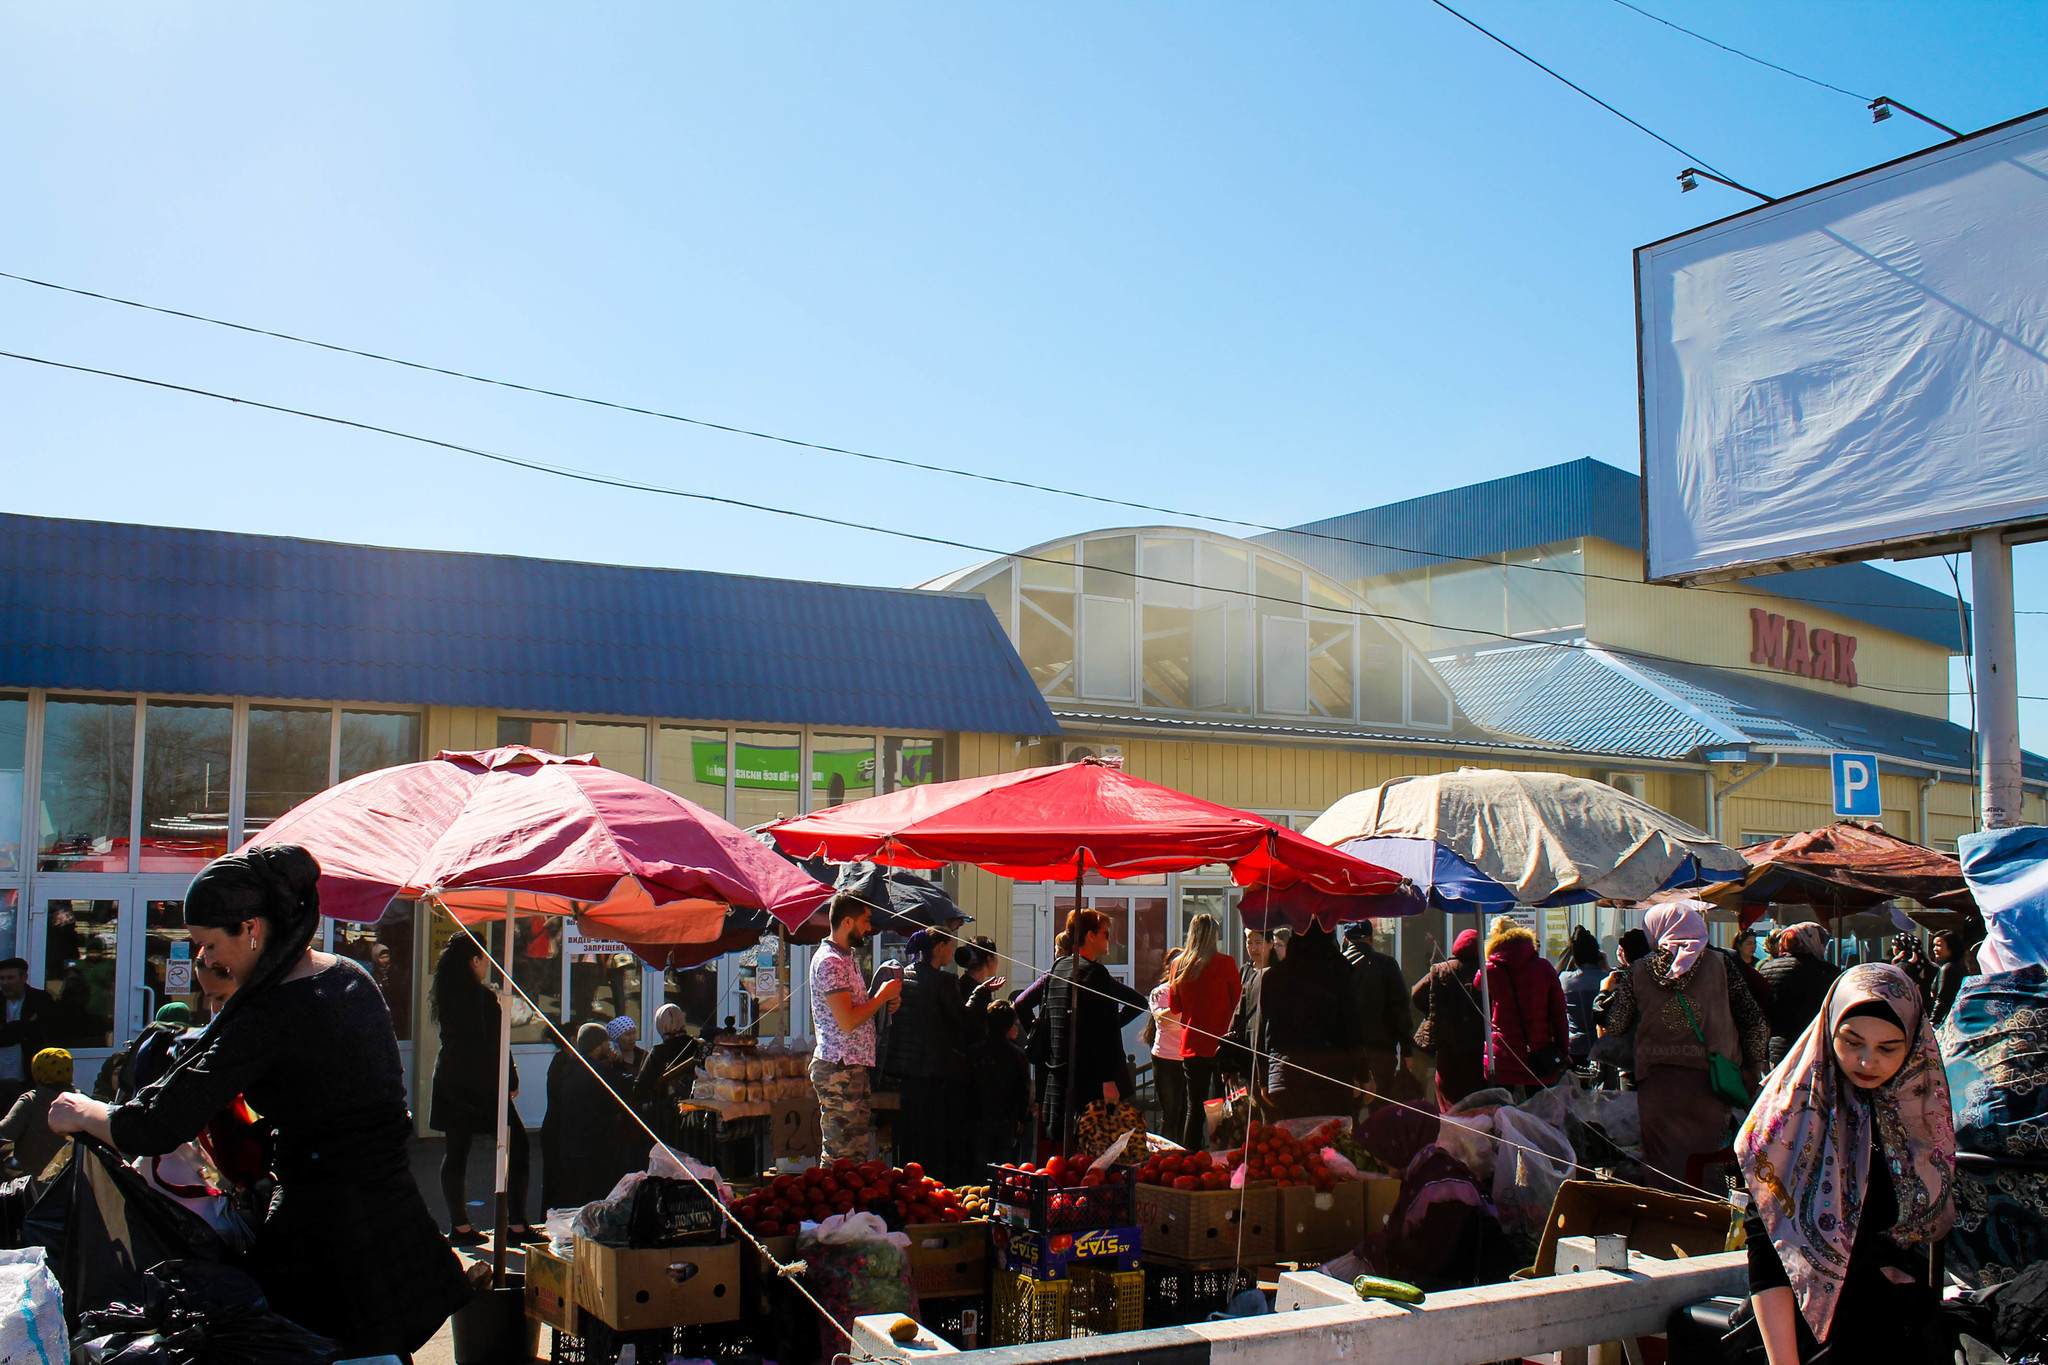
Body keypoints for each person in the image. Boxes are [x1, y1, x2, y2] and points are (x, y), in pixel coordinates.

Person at [47, 847, 470, 1358]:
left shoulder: (273, 1012)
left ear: (252, 929)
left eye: (207, 946)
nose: (203, 960)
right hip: (388, 1206)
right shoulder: (345, 975)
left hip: (328, 1231)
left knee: (342, 1347)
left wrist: (83, 1111)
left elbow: (156, 1127)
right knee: (377, 1346)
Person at [1736, 963, 1954, 1363]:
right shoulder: (1793, 1115)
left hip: (1899, 1327)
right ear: (1827, 1029)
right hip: (1809, 1333)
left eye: (1888, 1048)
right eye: (1852, 1042)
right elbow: (1768, 1248)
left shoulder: (1922, 1112)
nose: (1867, 1061)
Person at [1595, 903, 1767, 1193]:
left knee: (1664, 1166)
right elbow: (1753, 1021)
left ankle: (1671, 1225)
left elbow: (1615, 1024)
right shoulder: (1721, 964)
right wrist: (1751, 1067)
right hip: (1712, 1081)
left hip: (1658, 1085)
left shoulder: (1640, 969)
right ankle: (1709, 1225)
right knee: (1707, 1162)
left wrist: (1603, 993)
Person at [428, 937, 536, 1247]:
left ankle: (459, 1226)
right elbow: (497, 1044)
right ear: (474, 961)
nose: (487, 964)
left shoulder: (445, 994)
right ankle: (516, 1223)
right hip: (483, 1084)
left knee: (456, 1152)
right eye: (484, 958)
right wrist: (511, 1077)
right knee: (518, 1145)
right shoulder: (482, 998)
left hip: (450, 1079)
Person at [887, 928, 1000, 1185]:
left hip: (909, 1072)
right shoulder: (944, 981)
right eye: (950, 944)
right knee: (936, 1141)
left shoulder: (905, 976)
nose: (953, 951)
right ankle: (936, 1188)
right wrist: (981, 994)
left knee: (913, 1138)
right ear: (939, 947)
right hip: (939, 1073)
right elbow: (964, 1020)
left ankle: (910, 1187)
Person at [1031, 909, 1148, 1147]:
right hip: (1090, 1082)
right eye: (1106, 933)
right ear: (1091, 936)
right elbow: (1104, 1033)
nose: (1110, 939)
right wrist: (1108, 1079)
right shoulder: (1095, 974)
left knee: (1067, 1153)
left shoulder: (1059, 968)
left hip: (1062, 1075)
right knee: (1094, 1154)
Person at [809, 896, 902, 1163]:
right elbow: (847, 1020)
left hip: (851, 1065)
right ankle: (834, 1206)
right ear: (847, 922)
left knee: (856, 1153)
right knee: (841, 1155)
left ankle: (848, 1205)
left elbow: (859, 1010)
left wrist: (885, 1004)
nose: (869, 928)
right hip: (840, 1067)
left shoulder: (845, 957)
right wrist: (881, 998)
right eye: (865, 921)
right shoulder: (831, 962)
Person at [1258, 922, 1364, 1120]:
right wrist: (1363, 1075)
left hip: (1284, 1076)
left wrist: (1264, 1078)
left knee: (1292, 1146)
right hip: (1332, 1077)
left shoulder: (1272, 977)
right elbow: (1351, 1027)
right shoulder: (1338, 973)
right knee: (1331, 1146)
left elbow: (1264, 1031)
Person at [1166, 914, 1241, 1150]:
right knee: (1222, 1104)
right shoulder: (1226, 963)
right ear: (1215, 935)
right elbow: (1238, 1002)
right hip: (1222, 1045)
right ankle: (1221, 1153)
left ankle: (1190, 1157)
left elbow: (1175, 1006)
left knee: (1194, 1107)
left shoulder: (1179, 964)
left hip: (1192, 1044)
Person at [1477, 916, 1569, 1093]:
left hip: (1502, 1054)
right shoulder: (1544, 967)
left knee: (1503, 1115)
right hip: (1539, 1053)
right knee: (1539, 1114)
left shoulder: (1489, 970)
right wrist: (1563, 1049)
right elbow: (1559, 1013)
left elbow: (1477, 985)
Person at [1411, 929, 1487, 1109]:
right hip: (1480, 1045)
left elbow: (1416, 994)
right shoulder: (1486, 971)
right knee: (1480, 1101)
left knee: (1450, 1098)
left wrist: (1432, 1012)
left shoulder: (1441, 969)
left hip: (1448, 1043)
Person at [1342, 920, 1412, 1113]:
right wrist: (1406, 1049)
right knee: (1381, 1113)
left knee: (1349, 1115)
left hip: (1346, 1053)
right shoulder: (1386, 965)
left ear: (1345, 939)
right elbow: (1400, 1009)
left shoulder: (1336, 967)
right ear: (1371, 938)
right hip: (1382, 1051)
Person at [1758, 922, 1842, 1067]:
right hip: (1816, 1046)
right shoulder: (1828, 973)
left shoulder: (1766, 969)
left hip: (1779, 1047)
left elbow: (1760, 1013)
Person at [970, 1000, 1032, 1176]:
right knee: (1004, 1172)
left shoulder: (973, 1052)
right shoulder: (1018, 1055)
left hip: (977, 1119)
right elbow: (1023, 1091)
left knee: (979, 1171)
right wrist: (1022, 1117)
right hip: (1006, 1120)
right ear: (1009, 1025)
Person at [0, 1048, 77, 1179]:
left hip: (32, 1186)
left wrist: (11, 1171)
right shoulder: (82, 1102)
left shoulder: (31, 1101)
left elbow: (4, 1134)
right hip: (72, 1185)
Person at [1142, 950, 1186, 1153]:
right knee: (1170, 1112)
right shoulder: (1161, 992)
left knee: (1185, 1111)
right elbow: (1161, 1018)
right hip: (1165, 1058)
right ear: (1169, 969)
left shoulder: (1194, 992)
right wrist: (1182, 1002)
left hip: (1188, 1058)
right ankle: (1167, 1155)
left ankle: (1185, 1153)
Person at [1216, 927, 1271, 1091]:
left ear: (1270, 944)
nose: (1253, 948)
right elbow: (1238, 1012)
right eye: (1249, 942)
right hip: (1246, 1048)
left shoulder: (1277, 972)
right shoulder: (1245, 971)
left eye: (1258, 943)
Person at [0, 958, 55, 1115]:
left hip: (29, 1072)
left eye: (10, 978)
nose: (5, 983)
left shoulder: (40, 1000)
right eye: (2, 978)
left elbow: (42, 1030)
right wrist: (24, 1027)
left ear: (24, 977)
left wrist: (9, 1030)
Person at [1558, 927, 1607, 1072]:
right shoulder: (1608, 980)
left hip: (1574, 1047)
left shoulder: (1564, 979)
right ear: (1597, 955)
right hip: (1601, 1047)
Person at [1928, 929, 1969, 1029]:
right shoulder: (1961, 966)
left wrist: (1933, 1021)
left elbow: (1942, 998)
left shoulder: (1948, 968)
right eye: (1934, 945)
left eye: (1939, 945)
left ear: (1951, 946)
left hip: (1946, 1021)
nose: (1935, 949)